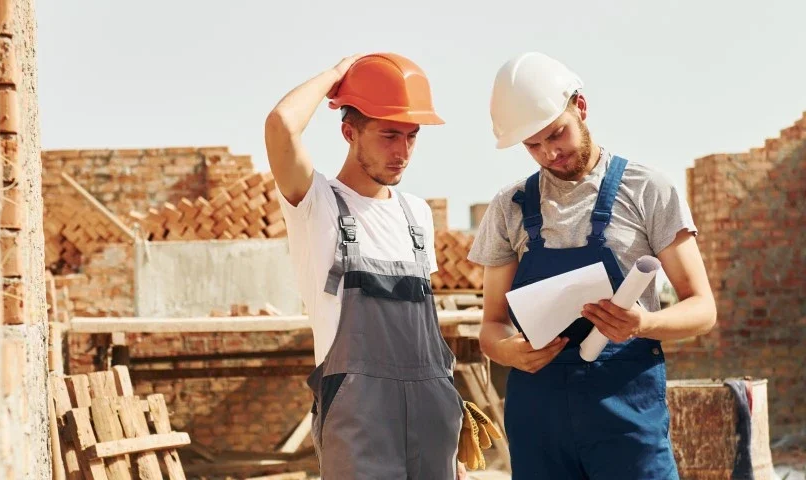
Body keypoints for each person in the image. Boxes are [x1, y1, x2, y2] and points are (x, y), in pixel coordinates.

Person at [468, 51, 717, 479]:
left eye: (556, 134)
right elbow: (491, 326)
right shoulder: (509, 208)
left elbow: (702, 309)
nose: (549, 153)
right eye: (532, 145)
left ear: (580, 108)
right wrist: (508, 351)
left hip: (626, 420)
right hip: (539, 424)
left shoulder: (647, 189)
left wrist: (642, 324)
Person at [265, 53, 466, 479]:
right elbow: (282, 124)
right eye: (389, 135)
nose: (402, 152)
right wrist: (338, 76)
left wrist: (450, 440)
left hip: (434, 420)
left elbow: (424, 341)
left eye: (411, 136)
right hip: (360, 424)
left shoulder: (417, 215)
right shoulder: (316, 204)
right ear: (349, 131)